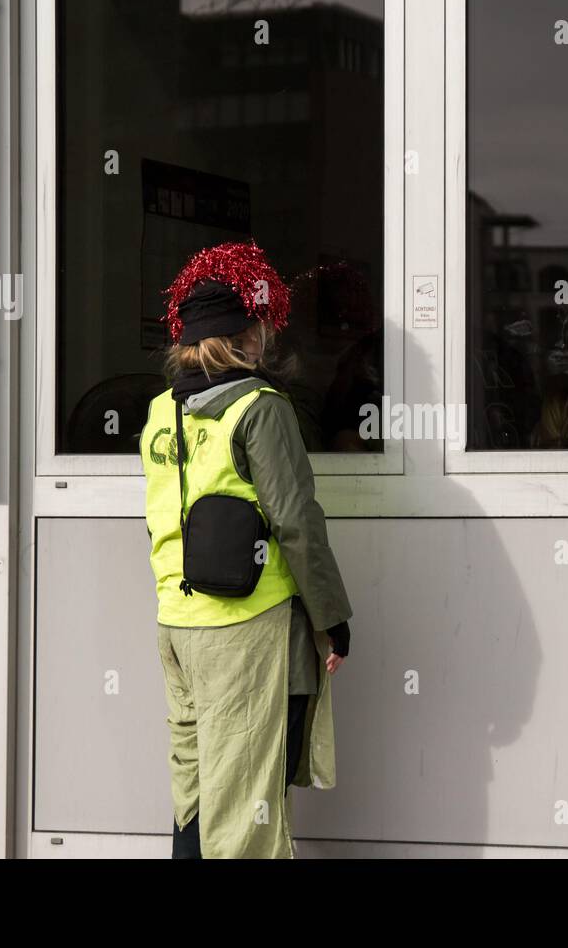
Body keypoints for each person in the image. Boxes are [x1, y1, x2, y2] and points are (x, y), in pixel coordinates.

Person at [140, 240, 353, 859]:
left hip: (176, 623)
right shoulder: (261, 409)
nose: (266, 337)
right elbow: (296, 520)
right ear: (244, 336)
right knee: (246, 814)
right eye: (260, 326)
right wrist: (332, 618)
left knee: (198, 794)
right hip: (244, 626)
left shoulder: (160, 411)